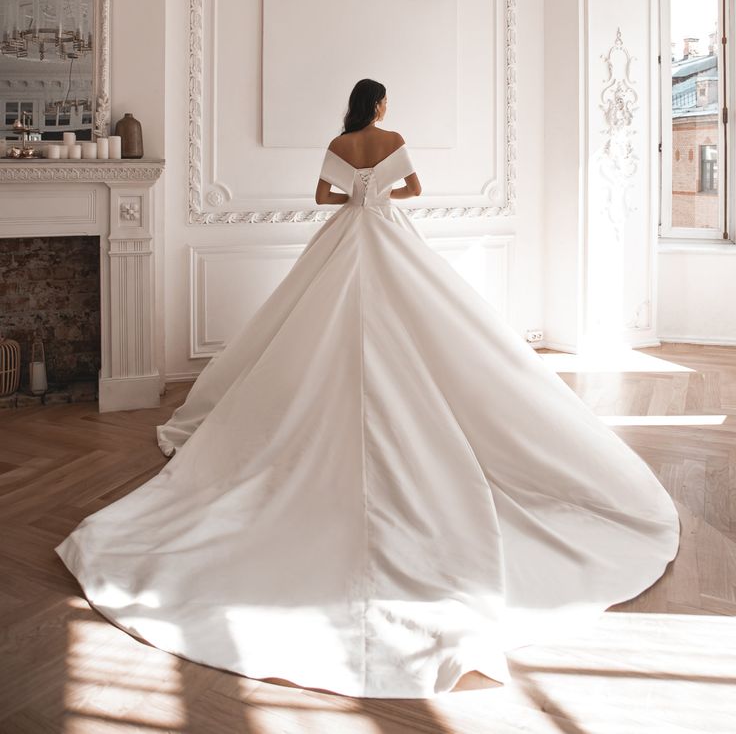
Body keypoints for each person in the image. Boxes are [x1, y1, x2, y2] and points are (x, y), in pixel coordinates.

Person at [55, 78, 681, 699]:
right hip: (387, 236)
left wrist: (357, 190)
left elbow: (324, 197)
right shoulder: (394, 138)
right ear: (381, 104)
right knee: (421, 325)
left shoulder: (339, 140)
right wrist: (380, 188)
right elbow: (413, 189)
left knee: (312, 325)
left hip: (347, 236)